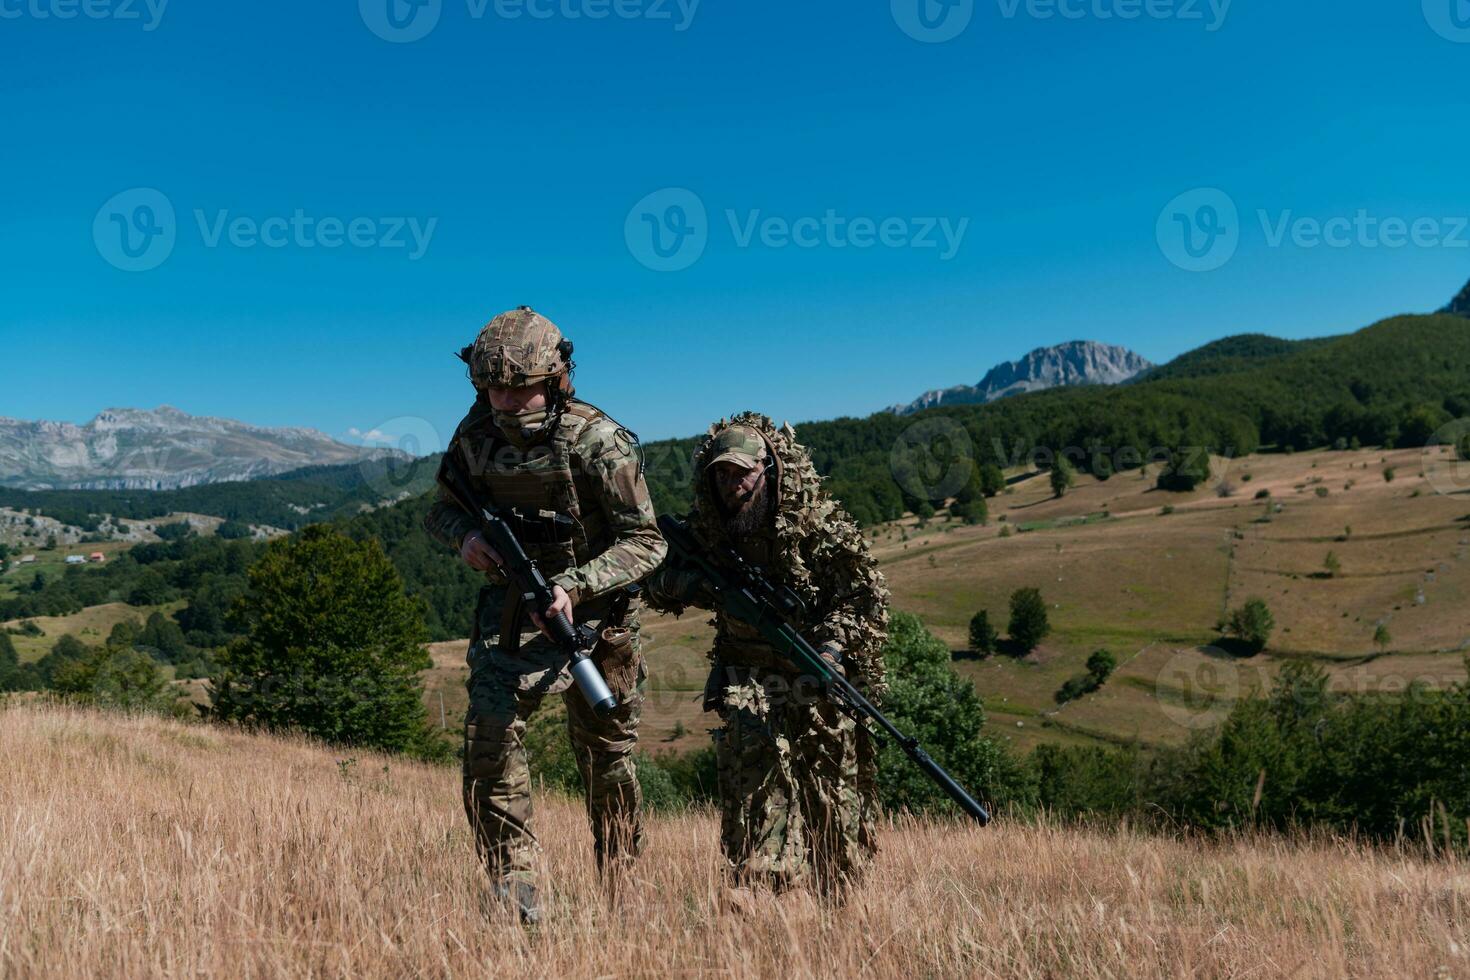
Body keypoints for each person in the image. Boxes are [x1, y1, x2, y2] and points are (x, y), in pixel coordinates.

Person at [424, 306, 666, 922]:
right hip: (509, 620)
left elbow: (648, 541)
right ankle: (516, 891)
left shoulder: (598, 442)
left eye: (520, 387)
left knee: (606, 759)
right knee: (490, 742)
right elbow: (441, 510)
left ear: (557, 378)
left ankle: (623, 891)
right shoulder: (475, 435)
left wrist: (576, 585)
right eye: (492, 388)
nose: (506, 401)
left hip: (595, 620)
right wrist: (465, 540)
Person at [646, 412, 889, 897]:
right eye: (721, 474)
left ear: (770, 470)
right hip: (747, 679)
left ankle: (841, 906)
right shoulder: (706, 531)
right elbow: (655, 583)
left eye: (743, 473)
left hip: (815, 676)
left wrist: (832, 650)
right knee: (756, 795)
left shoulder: (816, 527)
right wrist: (692, 585)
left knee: (832, 801)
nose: (732, 485)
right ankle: (763, 909)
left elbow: (865, 597)